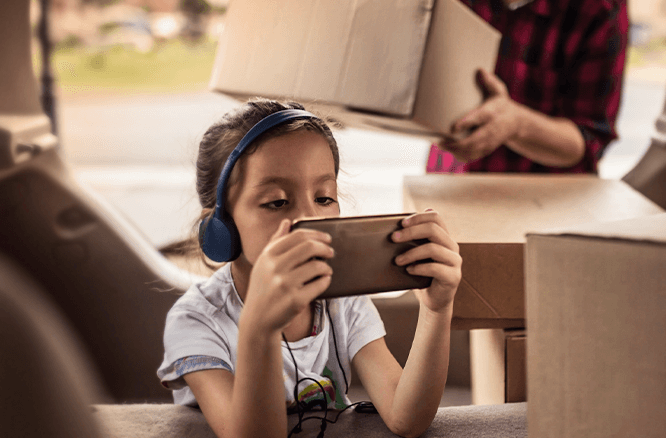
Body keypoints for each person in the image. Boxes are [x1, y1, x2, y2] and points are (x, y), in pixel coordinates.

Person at [157, 99, 463, 438]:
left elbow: (406, 418)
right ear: (221, 228)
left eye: (324, 197)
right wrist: (260, 328)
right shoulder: (196, 321)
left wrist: (437, 311)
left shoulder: (342, 302)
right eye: (276, 202)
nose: (310, 219)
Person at [427, 0, 629, 174]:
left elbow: (589, 142)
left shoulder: (601, 7)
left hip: (545, 200)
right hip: (447, 177)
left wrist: (516, 124)